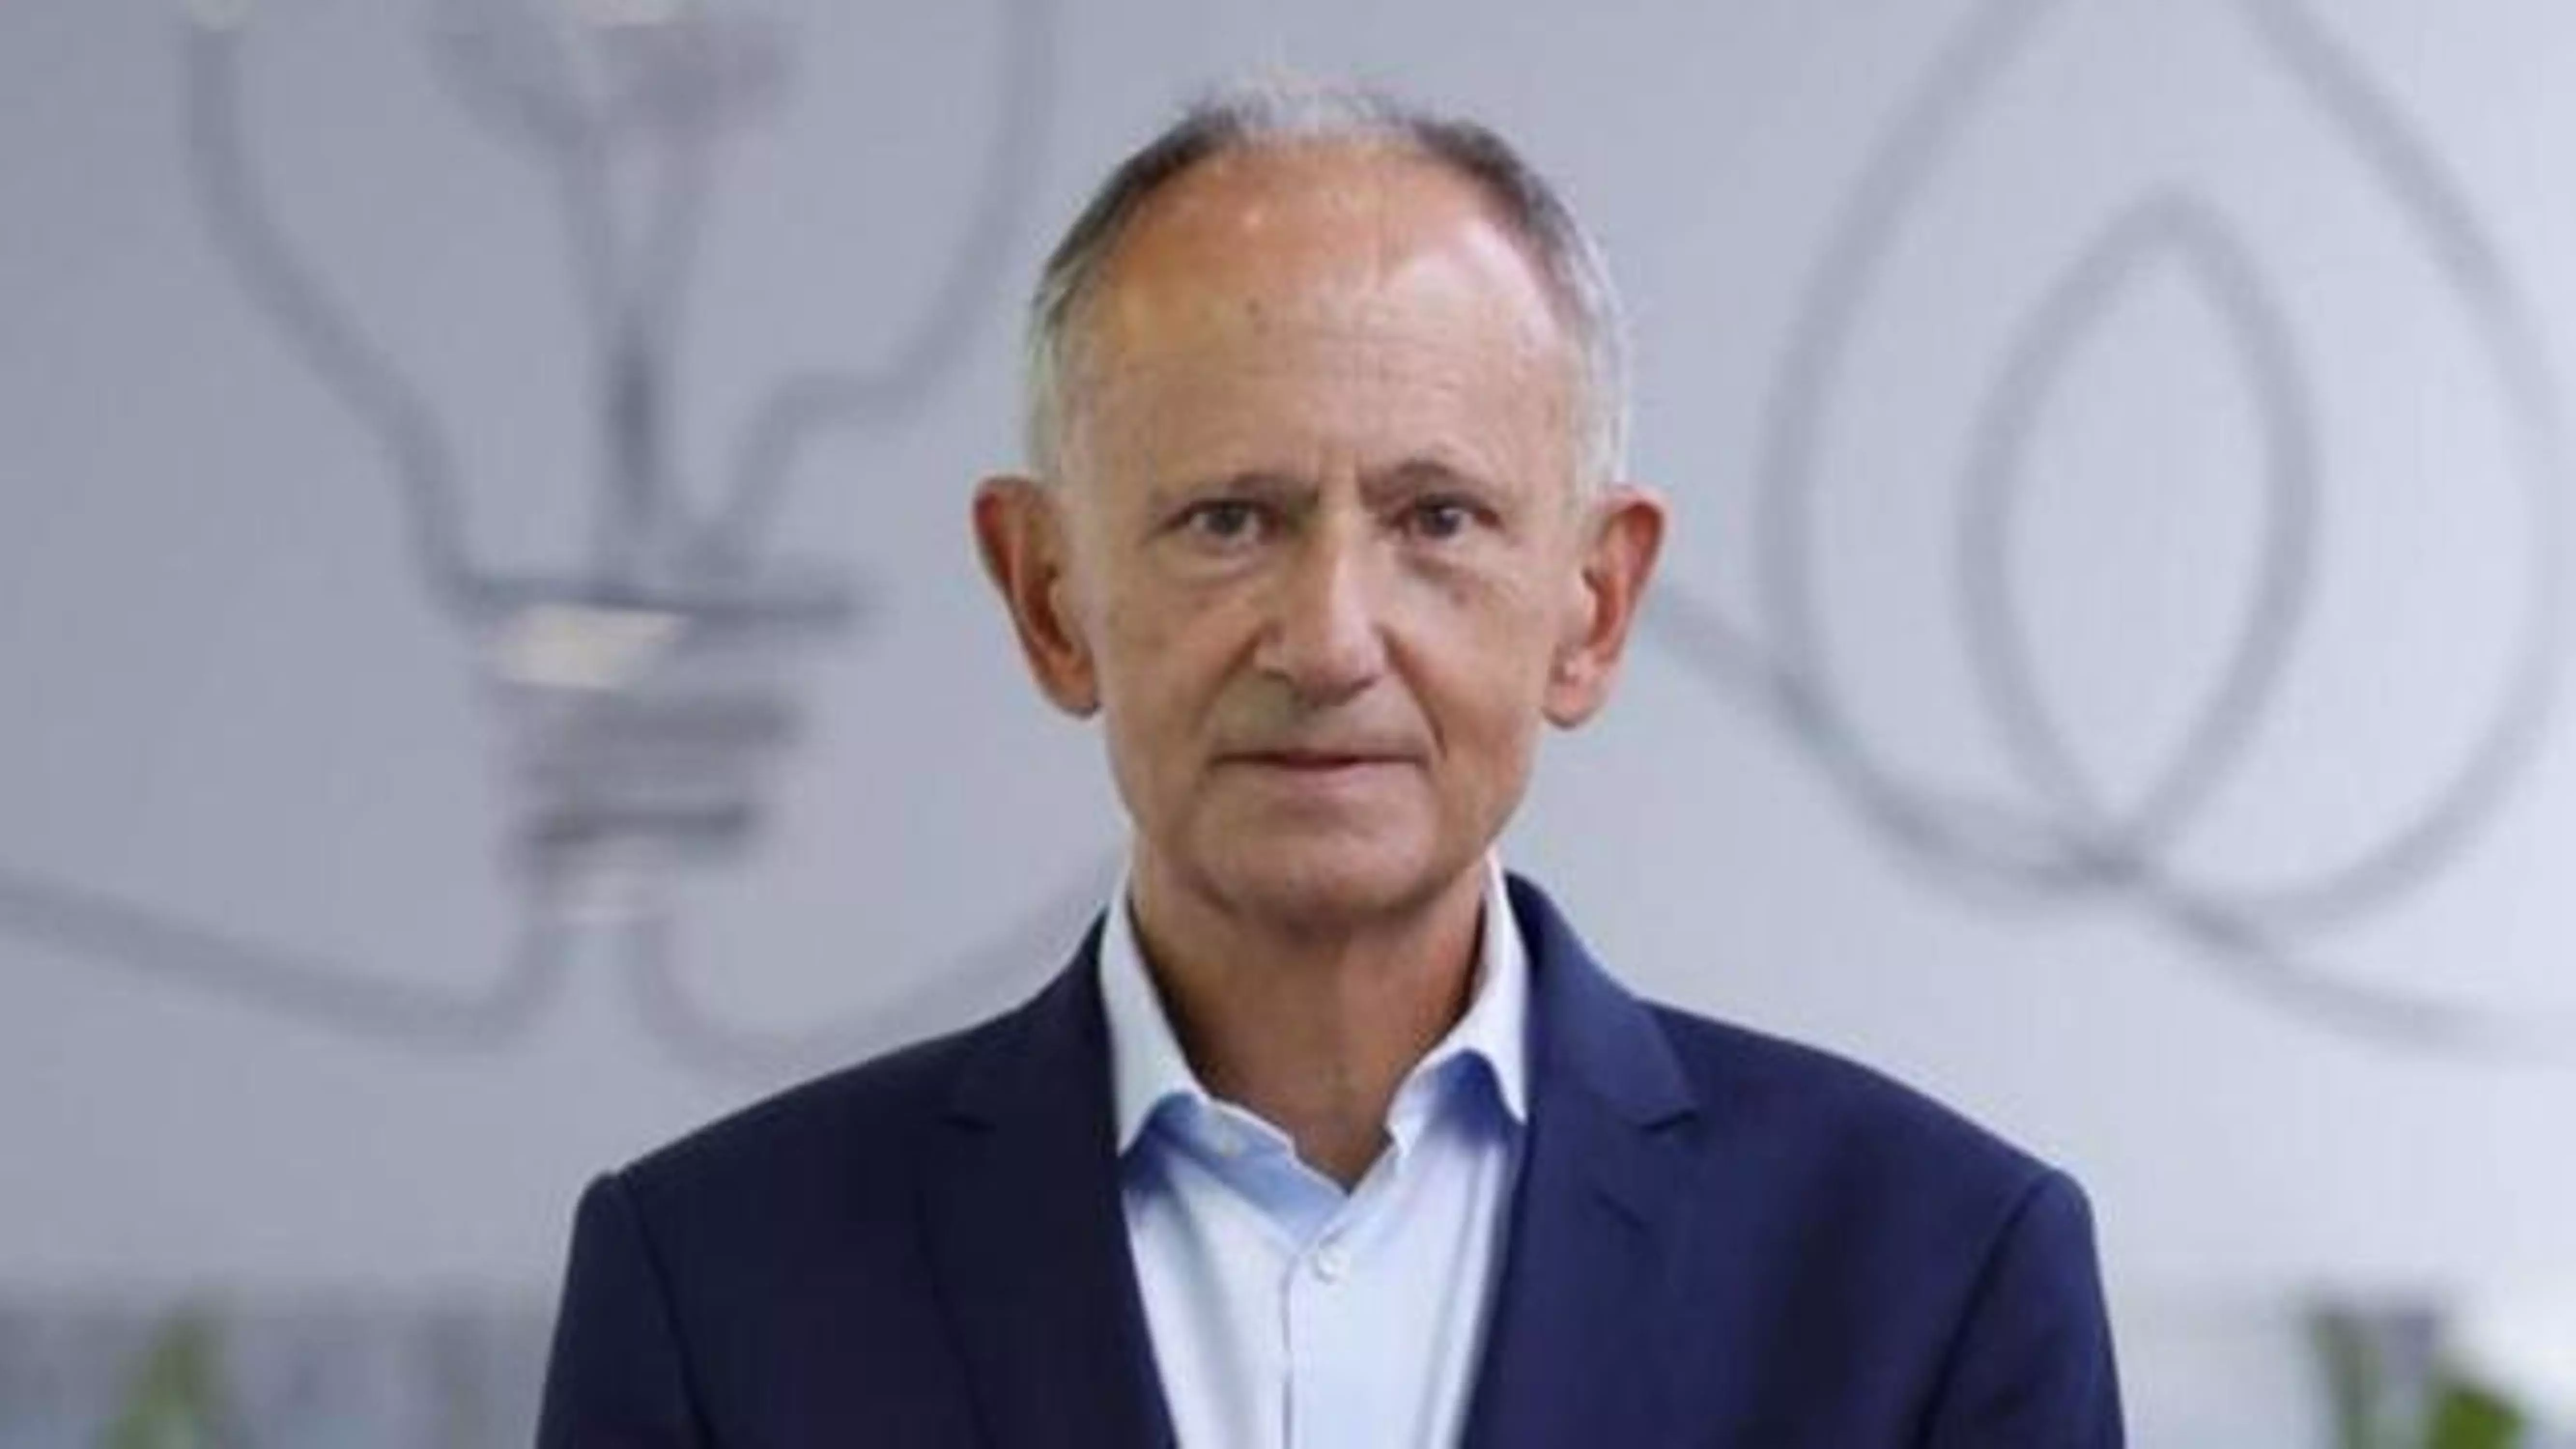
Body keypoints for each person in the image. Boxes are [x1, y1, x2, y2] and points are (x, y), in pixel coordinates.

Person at [538, 81, 2123, 1448]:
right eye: (1229, 519)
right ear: (1046, 596)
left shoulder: (1932, 1276)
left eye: (1437, 520)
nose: (1329, 639)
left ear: (1592, 604)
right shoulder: (716, 1288)